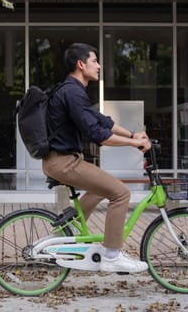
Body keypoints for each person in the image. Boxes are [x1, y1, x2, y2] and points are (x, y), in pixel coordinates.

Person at [43, 42, 151, 273]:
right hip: (64, 162)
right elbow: (97, 134)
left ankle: (67, 230)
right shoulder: (72, 92)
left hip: (64, 160)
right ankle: (112, 255)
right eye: (94, 60)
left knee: (103, 188)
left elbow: (102, 120)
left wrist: (132, 134)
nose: (99, 65)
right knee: (121, 193)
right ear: (81, 64)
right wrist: (135, 144)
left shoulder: (73, 91)